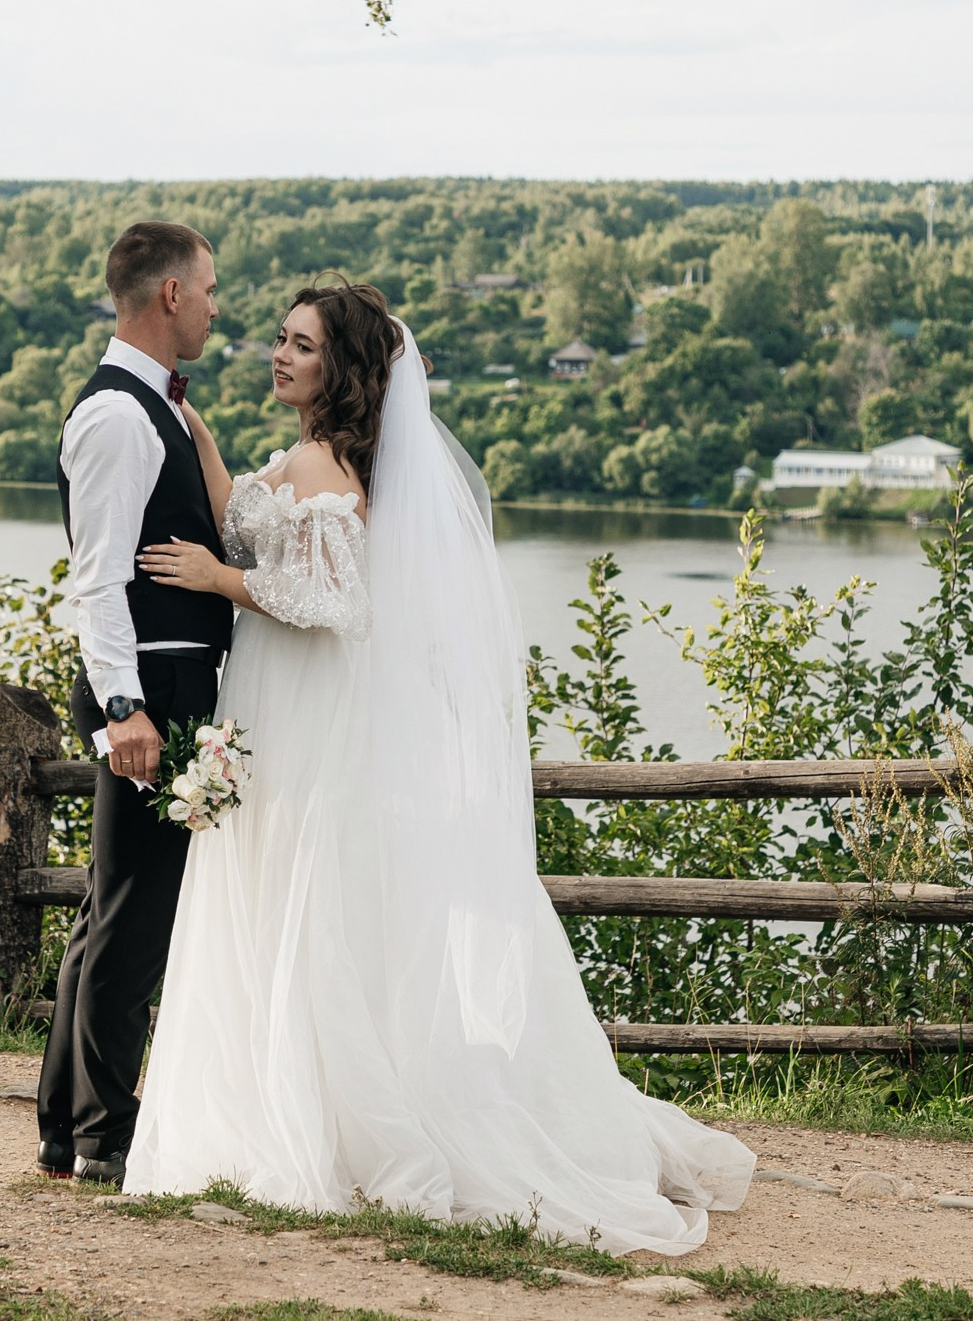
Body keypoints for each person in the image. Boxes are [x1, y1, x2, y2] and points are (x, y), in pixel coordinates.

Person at [126, 281, 754, 1255]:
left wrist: (221, 580)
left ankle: (341, 1121)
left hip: (310, 709)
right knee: (285, 896)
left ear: (341, 367)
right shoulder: (306, 455)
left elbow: (337, 603)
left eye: (302, 345)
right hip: (281, 703)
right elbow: (245, 514)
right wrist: (198, 435)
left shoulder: (331, 466)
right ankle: (292, 1102)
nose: (280, 354)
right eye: (281, 339)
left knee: (307, 901)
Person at [34, 220, 230, 1188]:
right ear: (169, 294)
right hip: (148, 690)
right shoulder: (118, 415)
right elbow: (99, 578)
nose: (215, 308)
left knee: (111, 907)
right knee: (133, 918)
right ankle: (105, 1133)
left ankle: (63, 1122)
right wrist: (124, 706)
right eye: (208, 290)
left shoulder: (158, 406)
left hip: (166, 683)